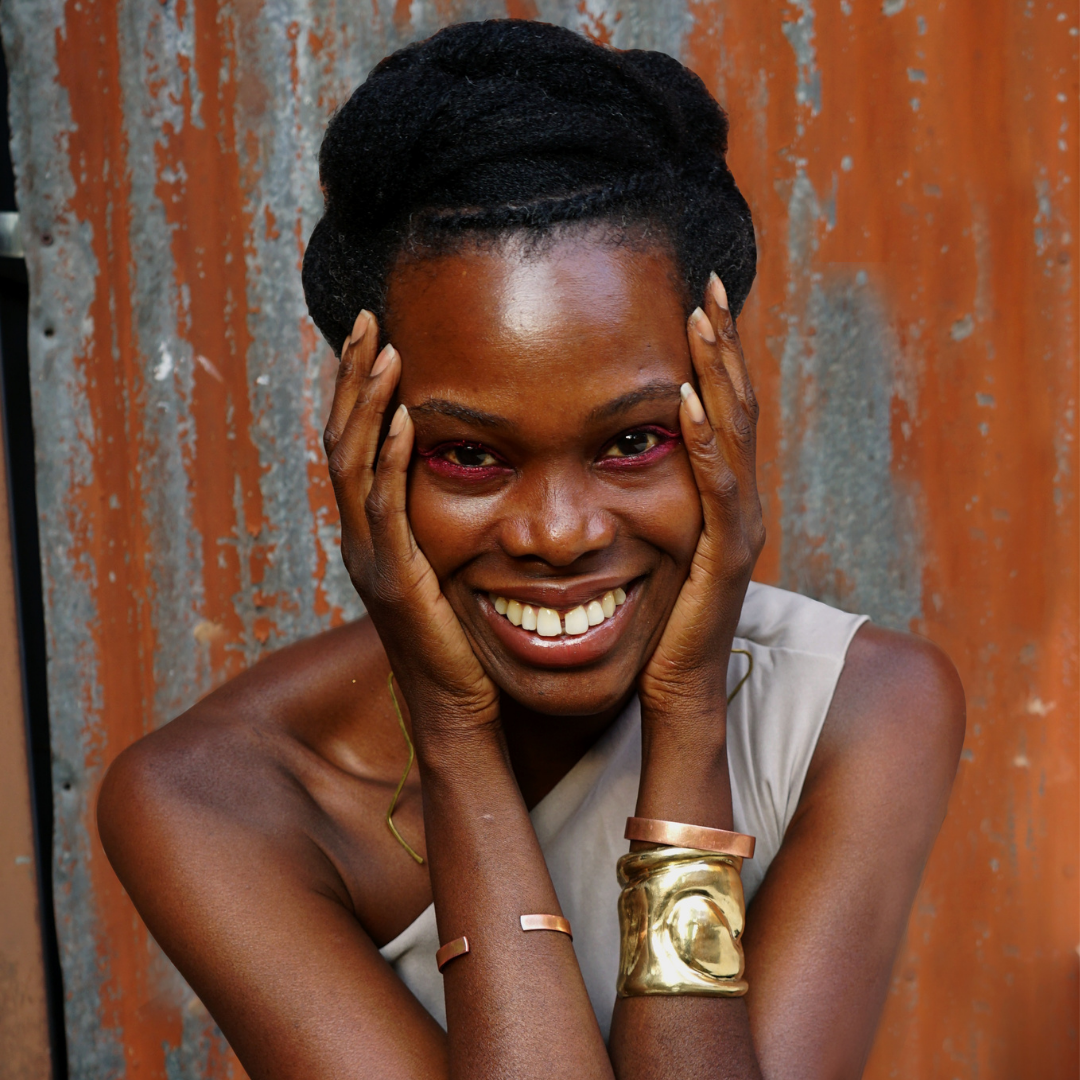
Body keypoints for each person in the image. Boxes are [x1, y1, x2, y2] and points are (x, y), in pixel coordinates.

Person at [97, 19, 964, 1080]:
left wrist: (686, 719)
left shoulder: (863, 710)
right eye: (469, 455)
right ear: (367, 453)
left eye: (635, 441)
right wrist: (456, 736)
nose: (561, 533)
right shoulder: (218, 801)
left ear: (726, 418)